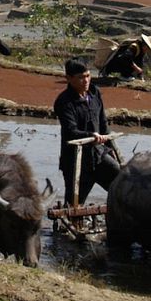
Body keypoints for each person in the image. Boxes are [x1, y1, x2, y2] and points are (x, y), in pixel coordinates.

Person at [54, 58, 117, 206]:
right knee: (73, 206)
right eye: (81, 77)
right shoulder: (64, 102)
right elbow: (71, 131)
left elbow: (103, 123)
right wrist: (91, 135)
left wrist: (111, 148)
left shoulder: (94, 93)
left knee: (120, 187)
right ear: (68, 79)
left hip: (99, 155)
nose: (86, 80)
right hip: (76, 160)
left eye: (88, 76)